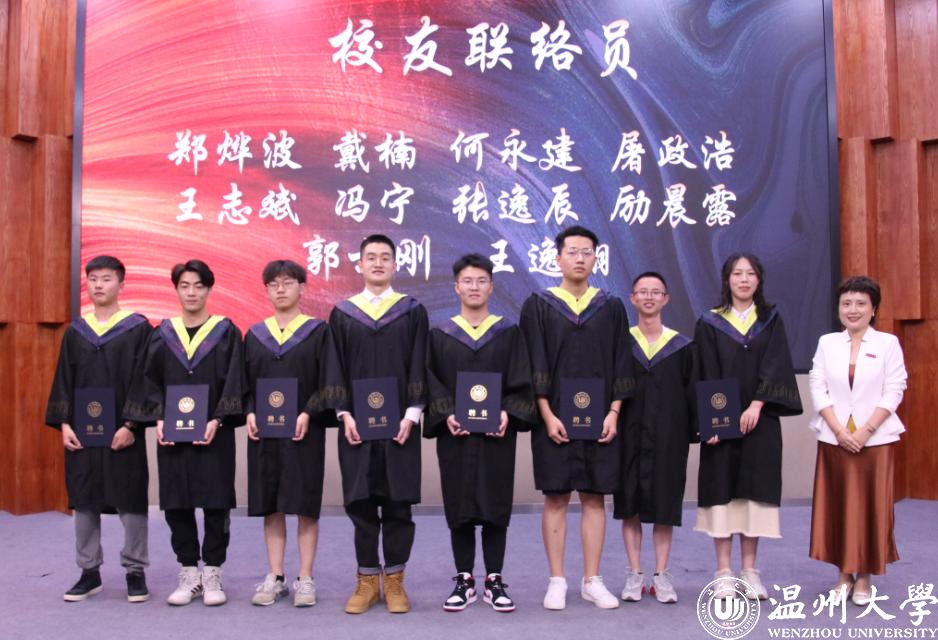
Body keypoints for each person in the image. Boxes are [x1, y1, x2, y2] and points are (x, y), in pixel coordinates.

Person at [520, 225, 634, 611]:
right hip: (553, 418)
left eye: (587, 252)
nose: (580, 258)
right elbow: (533, 362)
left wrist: (614, 413)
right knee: (556, 496)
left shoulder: (610, 307)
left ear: (596, 258)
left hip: (600, 419)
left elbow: (621, 361)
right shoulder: (538, 305)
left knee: (594, 496)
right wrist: (546, 415)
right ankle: (557, 580)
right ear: (558, 258)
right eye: (572, 251)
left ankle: (592, 581)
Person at [127, 259, 244, 606]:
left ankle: (213, 573)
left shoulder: (226, 332)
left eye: (198, 286)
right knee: (176, 501)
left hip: (214, 433)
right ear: (176, 289)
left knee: (215, 501)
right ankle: (189, 571)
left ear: (209, 289)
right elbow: (149, 381)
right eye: (185, 286)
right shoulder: (162, 334)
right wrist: (158, 418)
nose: (192, 292)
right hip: (173, 434)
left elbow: (234, 380)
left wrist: (217, 419)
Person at [425, 254, 537, 613]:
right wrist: (446, 413)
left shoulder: (508, 333)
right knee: (458, 504)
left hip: (496, 436)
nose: (474, 287)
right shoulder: (440, 335)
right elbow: (431, 381)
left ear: (491, 286)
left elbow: (521, 380)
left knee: (496, 503)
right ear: (456, 287)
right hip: (455, 435)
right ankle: (464, 579)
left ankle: (494, 579)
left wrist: (506, 412)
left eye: (481, 280)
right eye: (468, 281)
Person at [693, 253, 802, 600]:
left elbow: (776, 364)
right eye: (737, 273)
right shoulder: (710, 322)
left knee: (754, 494)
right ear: (727, 279)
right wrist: (711, 422)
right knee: (722, 492)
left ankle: (750, 571)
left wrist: (757, 403)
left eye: (750, 273)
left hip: (760, 422)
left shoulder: (770, 320)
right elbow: (704, 372)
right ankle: (724, 572)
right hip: (721, 424)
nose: (743, 279)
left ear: (759, 279)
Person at [329, 234, 428, 614]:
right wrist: (344, 413)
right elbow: (335, 366)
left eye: (385, 257)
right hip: (357, 426)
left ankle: (396, 580)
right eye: (371, 257)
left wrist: (412, 414)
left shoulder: (411, 311)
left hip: (401, 425)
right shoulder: (343, 314)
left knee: (398, 504)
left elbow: (419, 362)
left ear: (395, 265)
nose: (378, 263)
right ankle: (367, 581)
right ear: (360, 264)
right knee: (362, 504)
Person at [45, 256, 152, 603]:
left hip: (123, 432)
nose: (98, 285)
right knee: (84, 498)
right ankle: (89, 572)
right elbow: (64, 379)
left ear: (121, 284)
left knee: (130, 499)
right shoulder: (76, 331)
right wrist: (64, 424)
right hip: (83, 431)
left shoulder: (137, 329)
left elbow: (145, 380)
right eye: (93, 279)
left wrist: (131, 424)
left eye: (106, 279)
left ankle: (135, 570)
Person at [244, 260, 347, 607]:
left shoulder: (318, 333)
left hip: (305, 432)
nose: (281, 289)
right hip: (266, 435)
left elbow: (329, 381)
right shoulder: (255, 336)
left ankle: (305, 577)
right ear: (266, 290)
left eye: (288, 282)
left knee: (305, 505)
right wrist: (250, 412)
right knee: (271, 505)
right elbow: (244, 384)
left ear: (302, 288)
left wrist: (308, 412)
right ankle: (275, 576)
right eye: (273, 284)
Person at [808, 276, 907, 605]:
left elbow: (895, 389)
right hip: (834, 438)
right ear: (839, 308)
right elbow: (817, 386)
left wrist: (865, 431)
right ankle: (842, 575)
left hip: (874, 440)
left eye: (861, 303)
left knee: (869, 508)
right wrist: (839, 431)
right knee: (838, 506)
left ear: (873, 308)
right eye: (846, 303)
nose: (853, 309)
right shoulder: (827, 343)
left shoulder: (888, 344)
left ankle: (864, 576)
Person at [614, 272, 696, 604]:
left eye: (656, 292)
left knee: (665, 507)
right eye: (643, 292)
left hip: (668, 439)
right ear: (632, 298)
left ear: (666, 299)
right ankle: (634, 573)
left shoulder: (682, 347)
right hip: (627, 436)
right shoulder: (621, 344)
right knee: (629, 505)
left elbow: (692, 394)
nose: (649, 297)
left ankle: (661, 575)